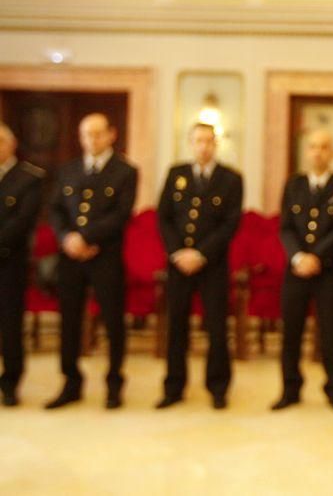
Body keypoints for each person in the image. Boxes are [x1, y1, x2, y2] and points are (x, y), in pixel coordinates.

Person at [46, 113, 138, 410]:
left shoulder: (125, 171)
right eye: (86, 134)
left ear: (111, 134)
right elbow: (56, 209)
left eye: (98, 134)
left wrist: (86, 238)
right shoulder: (68, 170)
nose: (92, 140)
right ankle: (70, 381)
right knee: (69, 320)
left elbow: (121, 214)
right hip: (70, 257)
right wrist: (66, 237)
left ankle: (114, 382)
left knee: (113, 321)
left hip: (105, 256)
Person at [156, 123, 242, 410]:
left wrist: (201, 253)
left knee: (217, 328)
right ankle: (174, 386)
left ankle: (218, 387)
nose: (203, 146)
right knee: (176, 325)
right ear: (190, 143)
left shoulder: (230, 178)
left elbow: (230, 223)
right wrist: (178, 252)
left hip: (212, 264)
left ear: (216, 144)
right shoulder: (176, 174)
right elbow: (164, 217)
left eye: (208, 141)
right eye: (198, 141)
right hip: (179, 263)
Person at [272, 128, 333, 412]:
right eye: (313, 147)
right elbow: (285, 227)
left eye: (324, 147)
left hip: (329, 270)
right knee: (291, 331)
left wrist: (316, 257)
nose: (317, 152)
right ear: (306, 151)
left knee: (332, 333)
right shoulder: (293, 185)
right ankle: (290, 389)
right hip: (296, 270)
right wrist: (298, 257)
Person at [0, 123, 45, 407]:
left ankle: (10, 382)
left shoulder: (29, 178)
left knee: (10, 326)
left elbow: (23, 221)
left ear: (10, 144)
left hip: (9, 262)